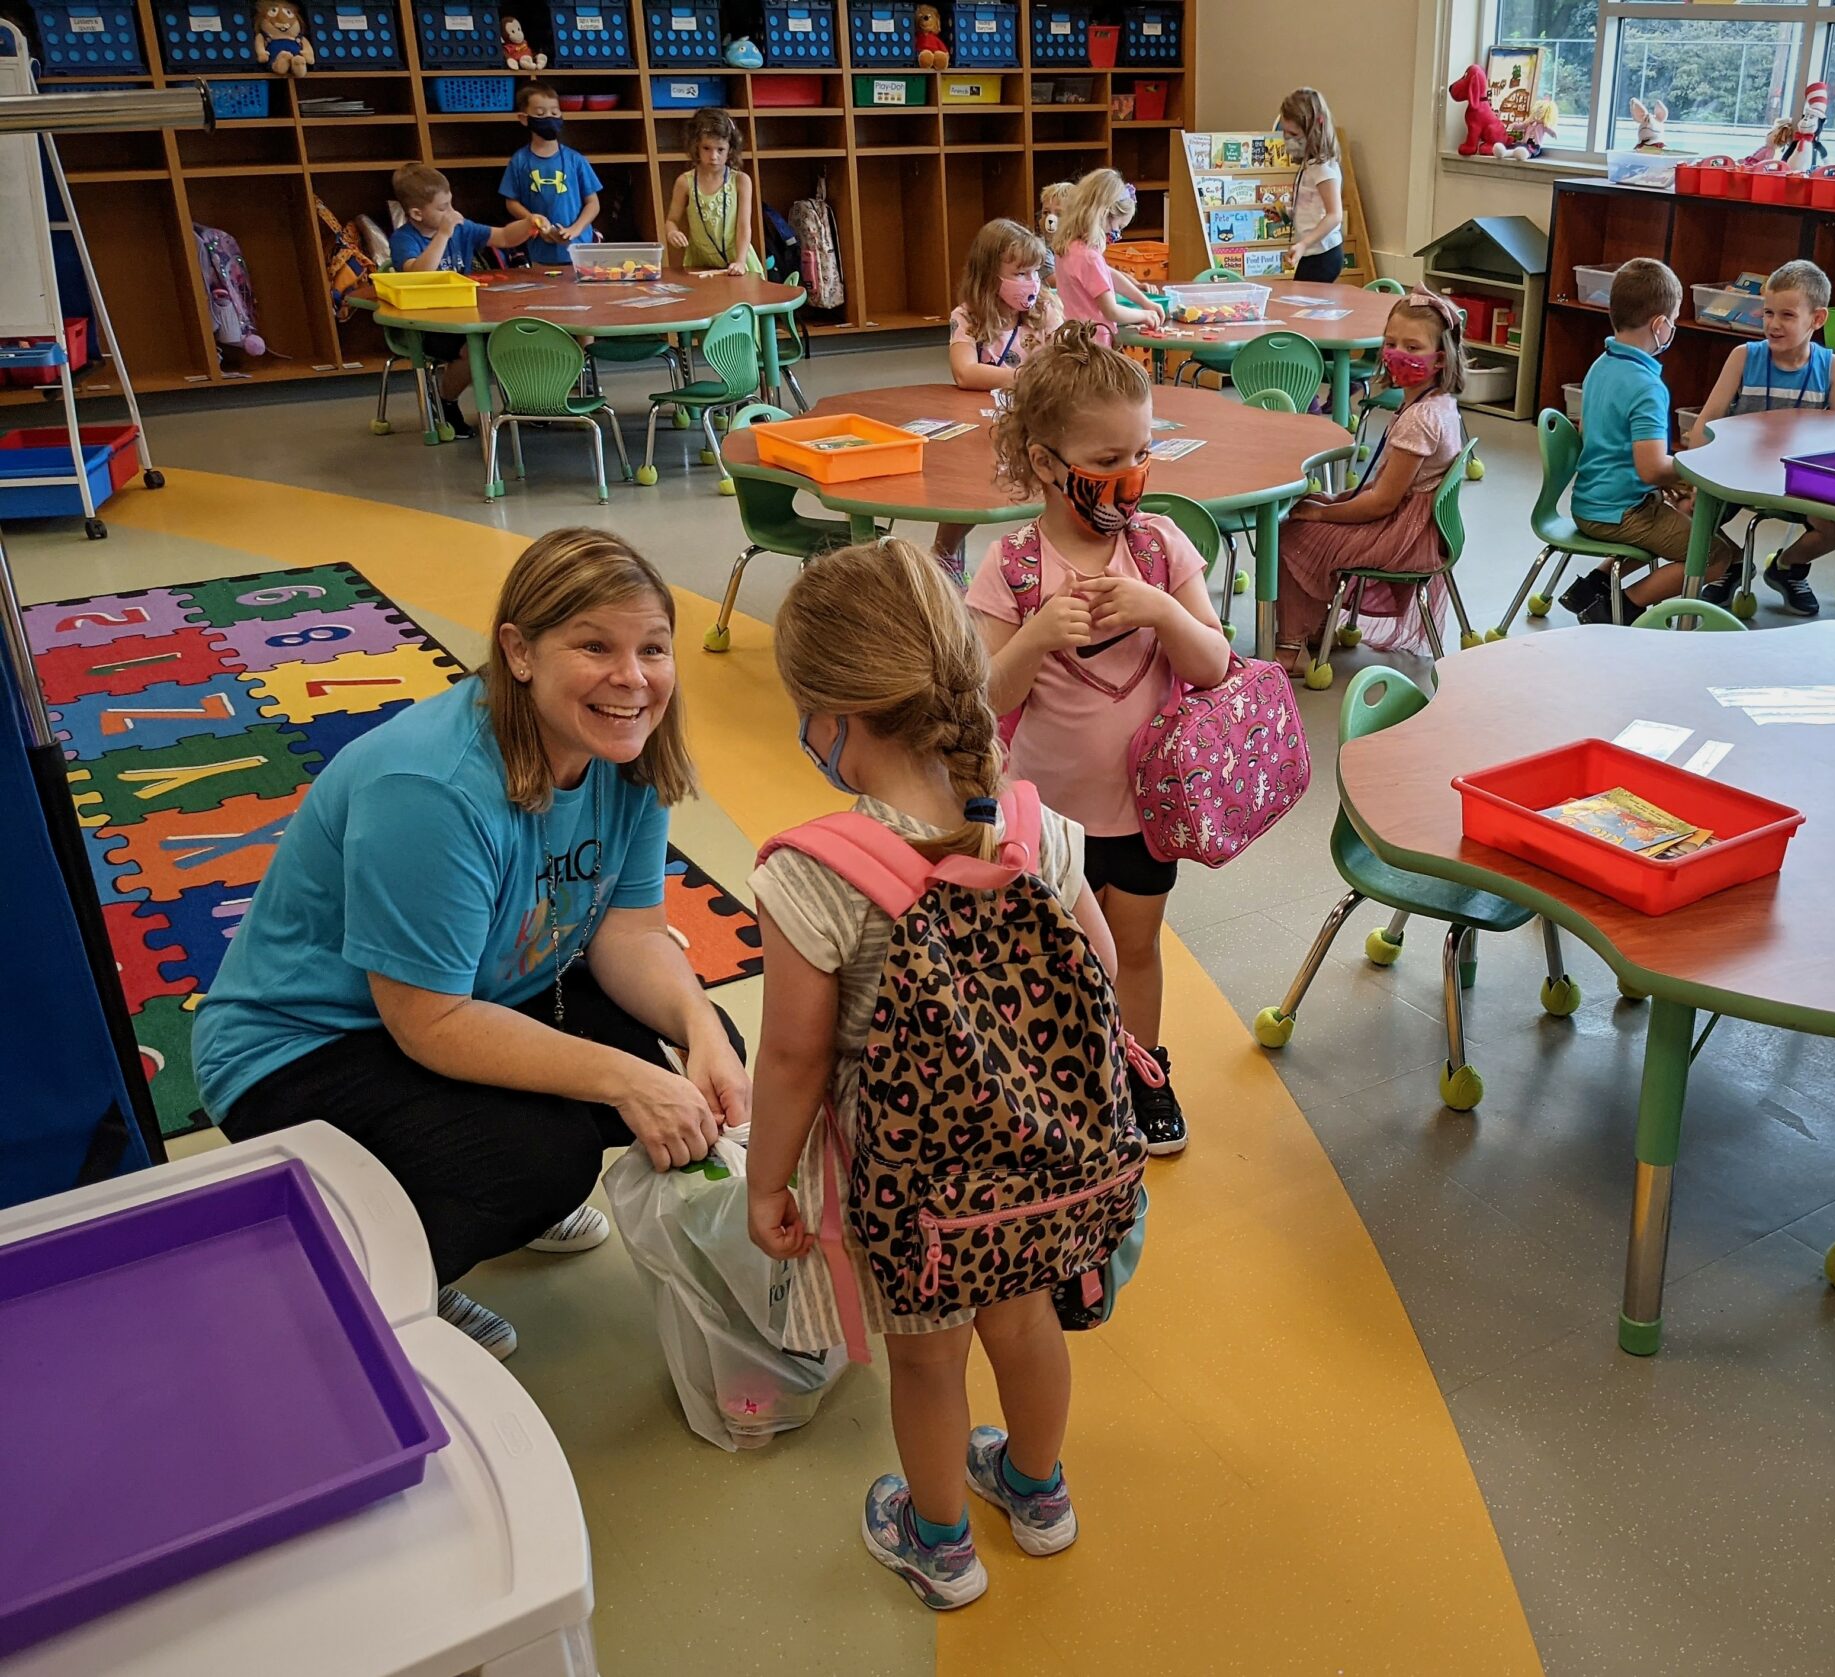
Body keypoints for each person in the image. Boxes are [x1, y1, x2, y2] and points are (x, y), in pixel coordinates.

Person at [193, 529, 751, 1361]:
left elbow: (628, 934)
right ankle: (384, 1275)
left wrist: (701, 1029)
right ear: (518, 651)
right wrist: (624, 1078)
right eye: (594, 645)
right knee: (540, 1160)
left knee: (694, 1049)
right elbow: (428, 1021)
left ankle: (464, 1184)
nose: (632, 679)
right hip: (299, 1049)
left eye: (652, 649)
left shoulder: (623, 749)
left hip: (472, 991)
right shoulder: (430, 785)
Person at [746, 538, 1129, 1611]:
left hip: (917, 1190)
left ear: (833, 714)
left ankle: (940, 1543)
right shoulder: (1035, 826)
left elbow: (791, 1055)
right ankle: (1037, 1493)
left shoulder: (811, 873)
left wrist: (766, 1182)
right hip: (1046, 1161)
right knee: (1026, 1324)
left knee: (926, 1362)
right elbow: (1096, 971)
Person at [966, 322, 1231, 1155]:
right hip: (1052, 818)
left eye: (1142, 452)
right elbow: (982, 699)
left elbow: (1218, 662)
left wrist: (1160, 610)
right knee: (1061, 958)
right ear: (1046, 464)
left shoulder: (1158, 549)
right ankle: (1059, 1078)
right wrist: (1037, 634)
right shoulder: (1009, 567)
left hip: (1149, 809)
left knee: (1139, 949)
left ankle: (1140, 1069)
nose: (1129, 476)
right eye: (1107, 459)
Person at [1275, 291, 1468, 664]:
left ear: (1440, 358)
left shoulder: (1420, 419)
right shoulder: (1435, 402)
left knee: (1293, 534)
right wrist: (1332, 503)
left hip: (1404, 535)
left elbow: (1382, 502)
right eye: (1391, 343)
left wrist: (1322, 514)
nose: (1397, 353)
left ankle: (1294, 643)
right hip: (1419, 524)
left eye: (1413, 346)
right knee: (1313, 512)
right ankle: (1316, 628)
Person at [1565, 257, 1737, 624]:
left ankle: (1593, 585)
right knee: (1716, 554)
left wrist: (1665, 481)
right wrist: (1690, 469)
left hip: (1591, 500)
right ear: (1660, 325)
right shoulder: (1647, 386)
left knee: (1667, 512)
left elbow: (1591, 435)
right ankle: (1620, 608)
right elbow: (1651, 466)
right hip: (1618, 513)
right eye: (1672, 321)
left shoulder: (1603, 363)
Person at [1685, 258, 1835, 617]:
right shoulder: (1743, 357)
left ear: (1817, 319)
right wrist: (1695, 472)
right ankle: (1730, 564)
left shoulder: (1833, 368)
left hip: (1800, 482)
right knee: (1684, 514)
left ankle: (1788, 565)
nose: (1774, 325)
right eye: (1768, 313)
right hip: (1736, 474)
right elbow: (1707, 421)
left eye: (1788, 316)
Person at [931, 217, 1066, 578]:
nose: (1031, 283)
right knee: (964, 488)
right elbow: (965, 372)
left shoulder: (1045, 310)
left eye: (1035, 272)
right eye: (1020, 274)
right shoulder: (968, 316)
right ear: (989, 273)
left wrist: (1018, 380)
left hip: (1039, 422)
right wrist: (1026, 377)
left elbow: (1062, 368)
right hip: (981, 425)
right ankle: (944, 560)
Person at [389, 162, 544, 439]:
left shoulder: (462, 228)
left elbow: (505, 236)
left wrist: (529, 223)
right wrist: (443, 234)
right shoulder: (404, 239)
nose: (450, 213)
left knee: (515, 336)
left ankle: (528, 403)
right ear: (416, 213)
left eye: (450, 204)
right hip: (429, 323)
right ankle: (446, 403)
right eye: (442, 208)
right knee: (475, 350)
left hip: (468, 314)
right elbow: (418, 274)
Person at [1052, 168, 1163, 345]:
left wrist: (1144, 301)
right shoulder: (1089, 257)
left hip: (1073, 340)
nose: (1116, 235)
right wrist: (1144, 315)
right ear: (1103, 215)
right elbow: (1112, 311)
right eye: (1116, 228)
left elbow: (1107, 274)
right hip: (1093, 344)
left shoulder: (1069, 247)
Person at [500, 80, 604, 268]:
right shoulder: (519, 161)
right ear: (524, 118)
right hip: (540, 253)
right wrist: (535, 222)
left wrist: (575, 229)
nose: (549, 117)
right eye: (541, 114)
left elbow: (593, 203)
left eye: (555, 113)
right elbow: (511, 202)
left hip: (581, 251)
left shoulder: (575, 159)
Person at [664, 109, 762, 275]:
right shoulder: (684, 182)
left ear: (730, 149)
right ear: (696, 147)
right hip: (699, 263)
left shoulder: (741, 181)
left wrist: (740, 260)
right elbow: (671, 220)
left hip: (736, 260)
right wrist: (672, 232)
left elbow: (744, 227)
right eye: (707, 148)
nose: (713, 156)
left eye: (720, 149)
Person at [1279, 88, 1345, 283]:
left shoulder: (1322, 167)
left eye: (1294, 134)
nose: (1288, 140)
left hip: (1323, 253)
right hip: (1312, 252)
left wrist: (1303, 244)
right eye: (1285, 132)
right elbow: (1312, 208)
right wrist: (1286, 214)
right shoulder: (1310, 164)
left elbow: (1334, 215)